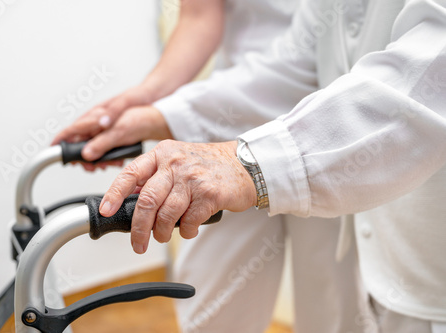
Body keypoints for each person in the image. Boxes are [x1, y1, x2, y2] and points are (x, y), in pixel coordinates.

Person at [97, 0, 446, 332]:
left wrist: (247, 166)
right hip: (278, 134)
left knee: (339, 302)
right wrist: (162, 115)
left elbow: (428, 75)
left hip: (413, 231)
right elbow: (296, 64)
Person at [53, 1, 366, 332]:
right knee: (213, 304)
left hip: (330, 124)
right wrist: (148, 100)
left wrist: (161, 115)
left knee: (333, 299)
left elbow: (304, 64)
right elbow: (199, 15)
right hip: (231, 113)